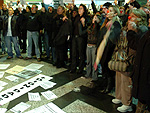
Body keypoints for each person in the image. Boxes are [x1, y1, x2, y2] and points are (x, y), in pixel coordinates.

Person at [94, 5, 122, 93]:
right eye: (108, 10)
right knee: (104, 69)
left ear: (115, 13)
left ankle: (109, 86)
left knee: (108, 70)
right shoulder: (106, 22)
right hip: (102, 50)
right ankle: (105, 84)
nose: (107, 12)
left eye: (110, 11)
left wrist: (109, 30)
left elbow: (113, 40)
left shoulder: (116, 24)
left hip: (108, 51)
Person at [127, 9, 149, 113]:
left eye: (133, 16)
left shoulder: (143, 30)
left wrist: (131, 31)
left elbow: (136, 45)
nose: (130, 18)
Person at [70, 4, 89, 74]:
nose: (79, 10)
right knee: (74, 53)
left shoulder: (86, 18)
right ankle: (73, 67)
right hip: (75, 37)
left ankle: (80, 68)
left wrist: (84, 24)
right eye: (79, 8)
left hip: (81, 38)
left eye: (81, 9)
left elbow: (87, 29)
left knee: (81, 53)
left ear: (84, 10)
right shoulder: (77, 17)